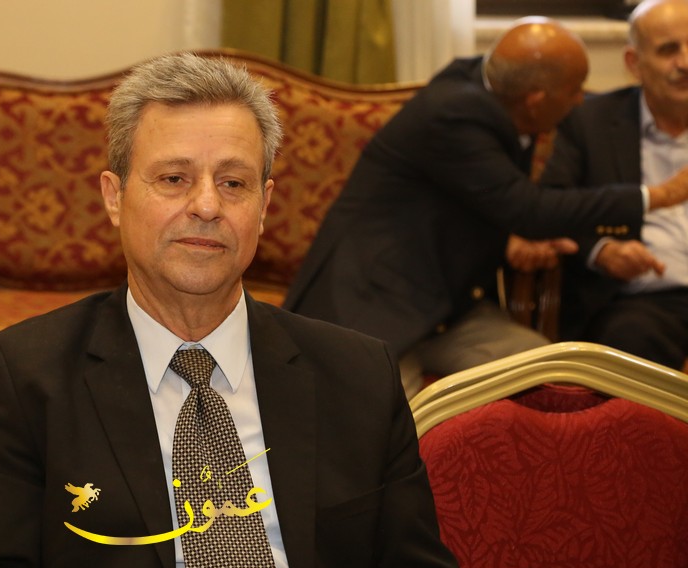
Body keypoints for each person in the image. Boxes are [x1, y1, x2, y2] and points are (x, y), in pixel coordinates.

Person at [0, 52, 466, 568]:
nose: (207, 205)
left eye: (233, 183)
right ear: (115, 197)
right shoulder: (29, 375)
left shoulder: (357, 374)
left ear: (264, 205)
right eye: (174, 178)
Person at [283, 16, 688, 397]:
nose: (581, 99)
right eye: (574, 90)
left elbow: (484, 198)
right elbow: (529, 209)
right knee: (386, 422)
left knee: (553, 379)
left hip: (451, 307)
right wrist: (657, 196)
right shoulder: (454, 112)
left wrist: (509, 241)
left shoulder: (495, 90)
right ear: (536, 100)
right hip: (373, 303)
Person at [538, 0, 688, 370]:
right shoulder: (589, 122)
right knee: (628, 340)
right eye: (669, 50)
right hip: (644, 300)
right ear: (634, 63)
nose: (685, 62)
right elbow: (550, 206)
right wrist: (601, 251)